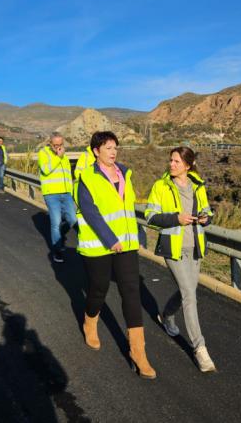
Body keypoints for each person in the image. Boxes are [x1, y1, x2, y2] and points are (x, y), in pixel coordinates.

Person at [75, 131, 156, 379]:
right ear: (96, 151)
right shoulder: (85, 177)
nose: (113, 151)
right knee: (98, 288)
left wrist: (134, 237)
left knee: (131, 291)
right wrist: (110, 240)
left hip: (127, 245)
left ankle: (138, 352)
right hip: (99, 246)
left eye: (115, 147)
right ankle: (90, 321)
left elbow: (126, 209)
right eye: (108, 147)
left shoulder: (125, 174)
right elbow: (90, 212)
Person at [145, 146, 216, 372]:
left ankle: (166, 315)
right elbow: (151, 217)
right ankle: (200, 349)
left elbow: (208, 211)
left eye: (176, 161)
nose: (171, 164)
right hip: (173, 249)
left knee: (188, 292)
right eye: (171, 161)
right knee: (189, 295)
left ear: (188, 165)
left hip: (194, 248)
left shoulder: (198, 186)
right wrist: (176, 218)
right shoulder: (161, 186)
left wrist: (206, 219)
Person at [37, 132, 76, 263]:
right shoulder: (44, 153)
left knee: (72, 219)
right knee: (56, 223)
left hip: (66, 193)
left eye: (60, 145)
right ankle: (57, 250)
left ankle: (59, 237)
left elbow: (67, 175)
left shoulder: (64, 156)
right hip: (51, 194)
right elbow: (46, 169)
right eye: (55, 145)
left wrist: (71, 192)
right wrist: (58, 157)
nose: (58, 147)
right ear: (50, 143)